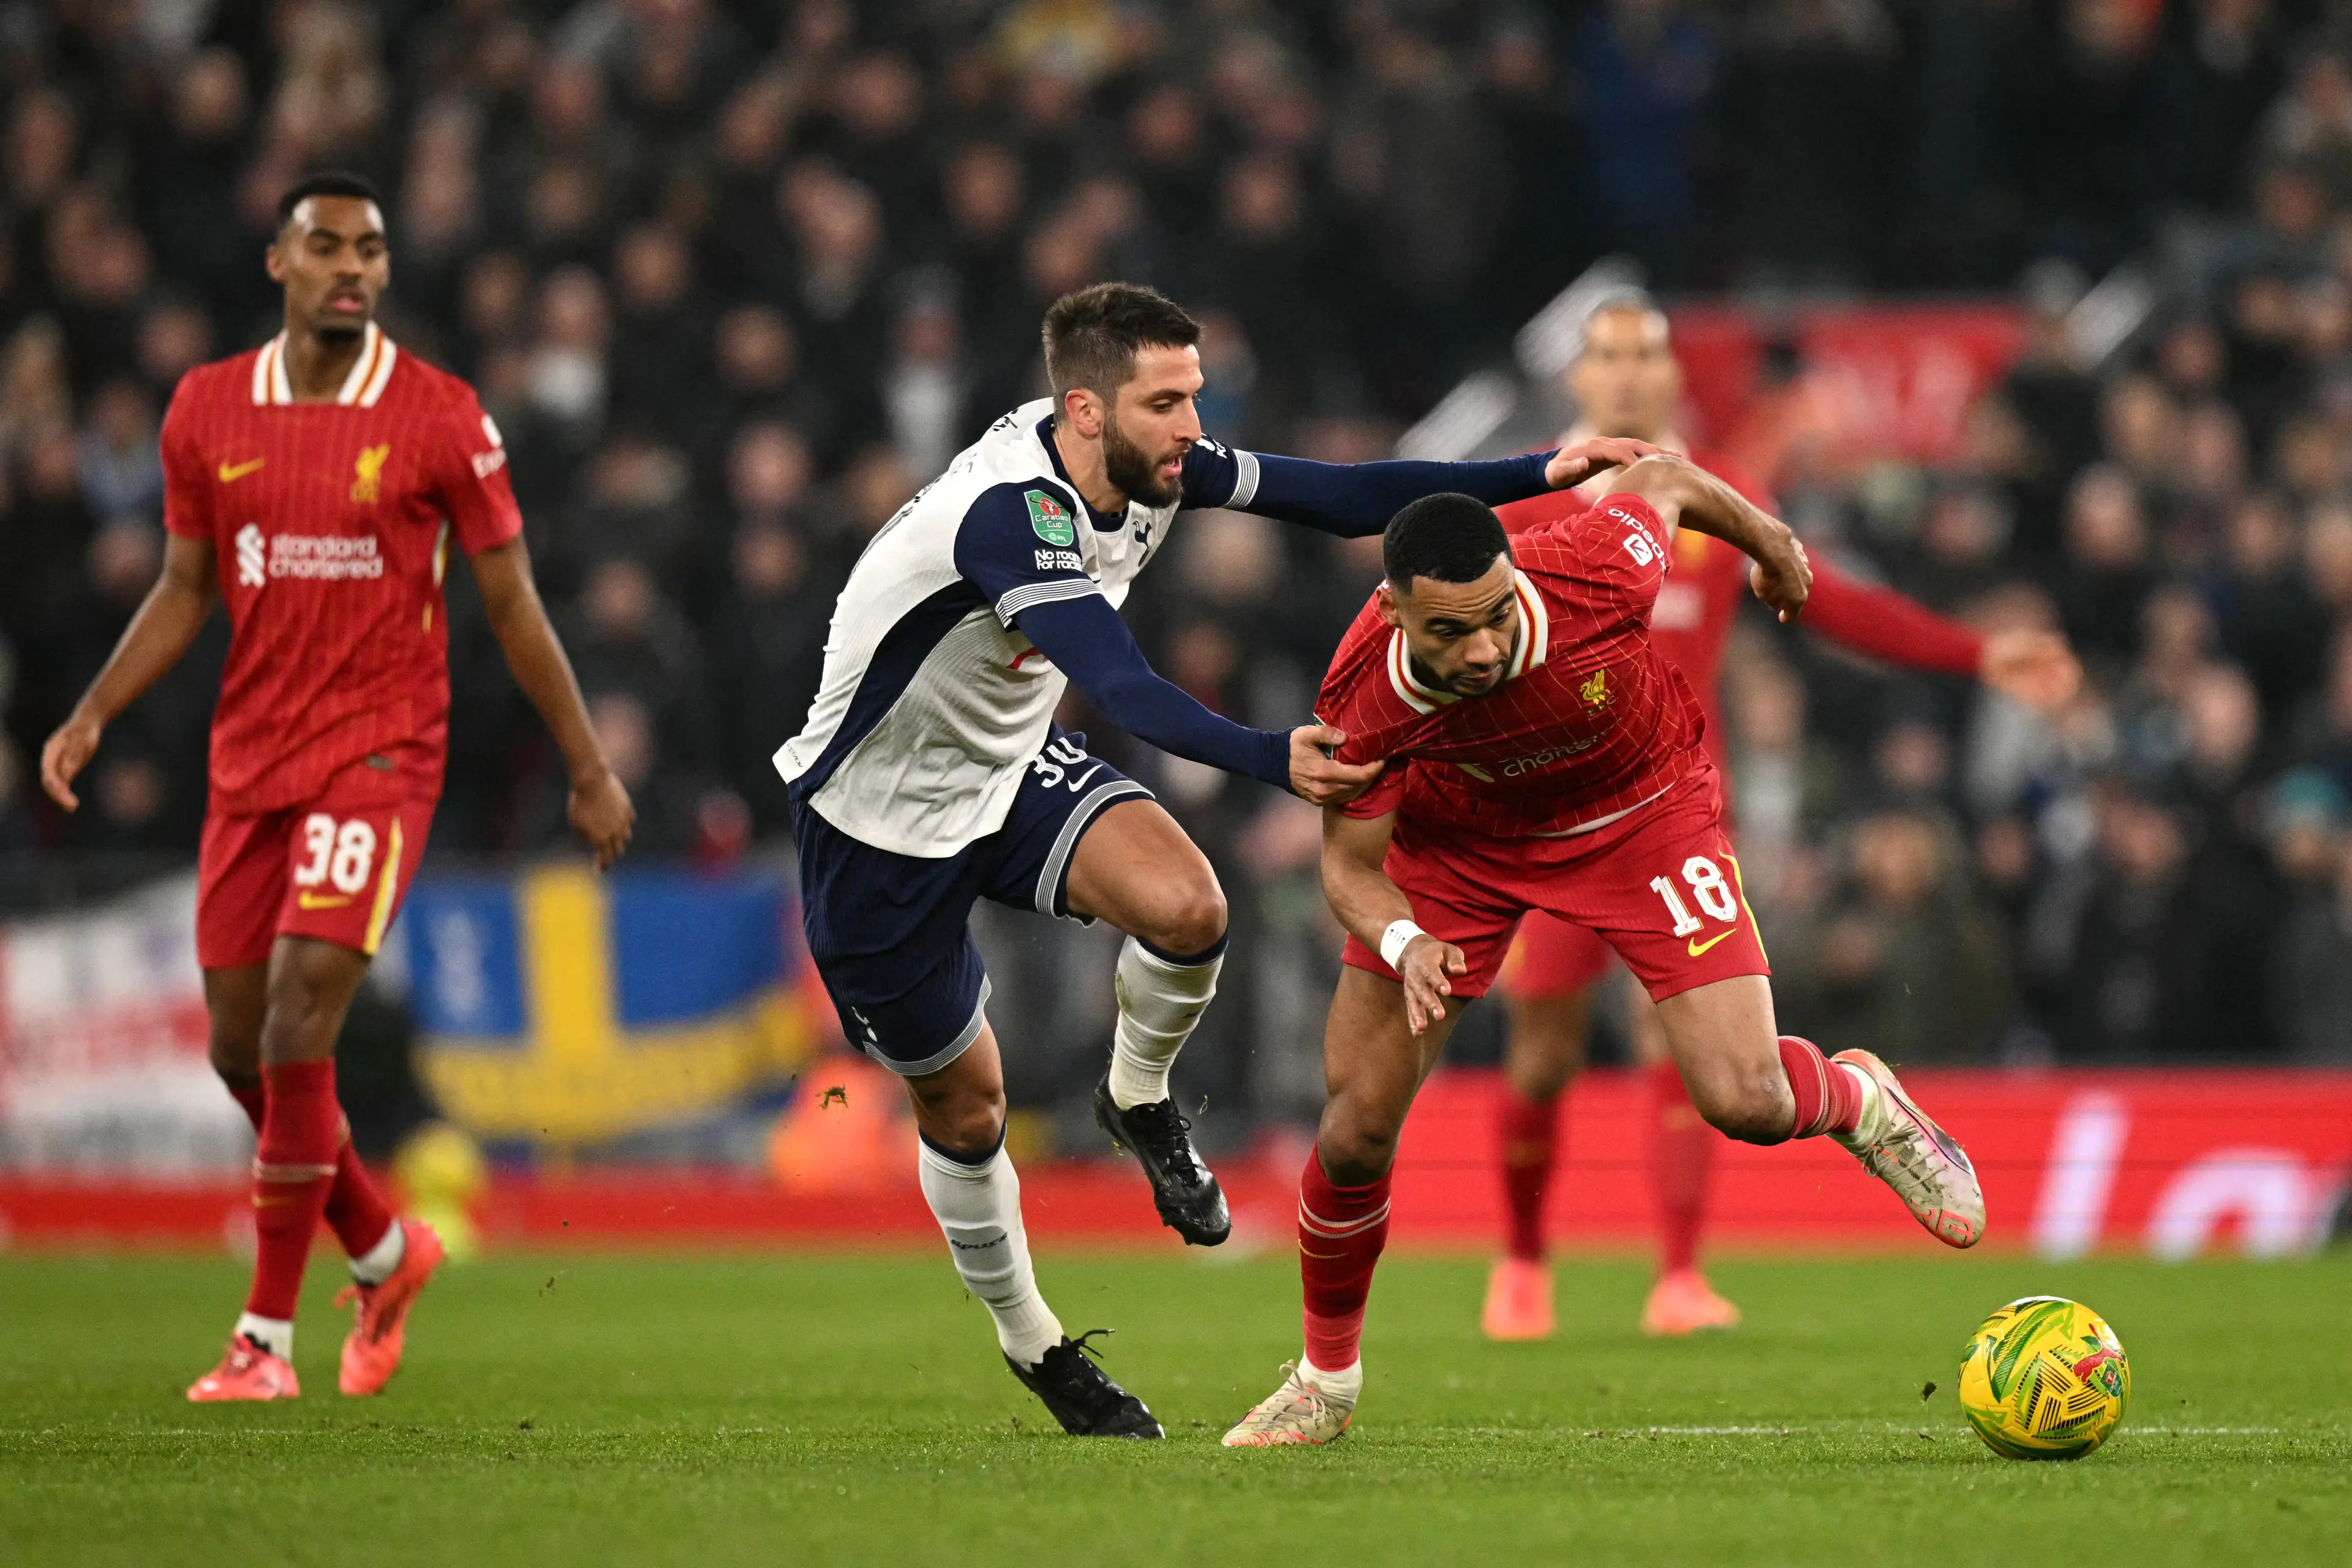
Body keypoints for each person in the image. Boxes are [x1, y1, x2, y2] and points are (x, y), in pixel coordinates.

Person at [777, 281, 1651, 1438]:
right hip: (873, 828)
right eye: (1166, 402)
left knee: (1191, 908)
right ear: (1085, 410)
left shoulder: (1157, 466)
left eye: (1195, 396)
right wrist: (1269, 756)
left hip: (1004, 776)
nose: (1194, 424)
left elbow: (1348, 501)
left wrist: (1539, 471)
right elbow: (1124, 684)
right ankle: (1036, 1345)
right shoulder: (1009, 512)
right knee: (970, 1111)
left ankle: (1137, 1098)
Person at [1223, 461, 1985, 1446]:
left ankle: (1861, 1101)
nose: (1484, 646)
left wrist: (1773, 546)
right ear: (1393, 610)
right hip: (1460, 854)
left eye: (1496, 615)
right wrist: (1405, 940)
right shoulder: (1363, 690)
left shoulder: (1592, 568)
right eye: (1449, 631)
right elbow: (1351, 869)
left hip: (1642, 815)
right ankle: (1324, 1382)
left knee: (1745, 1099)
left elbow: (1662, 477)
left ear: (1516, 582)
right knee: (1356, 1123)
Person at [39, 172, 635, 1402]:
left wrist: (586, 762)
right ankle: (380, 1246)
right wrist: (95, 710)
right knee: (236, 1049)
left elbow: (512, 601)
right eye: (326, 246)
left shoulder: (439, 415)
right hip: (250, 759)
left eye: (370, 247)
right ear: (279, 264)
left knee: (301, 1015)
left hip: (379, 751)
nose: (352, 266)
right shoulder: (206, 408)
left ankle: (264, 1339)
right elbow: (184, 584)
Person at [1479, 294, 2080, 1340]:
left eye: (1646, 357)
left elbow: (1831, 597)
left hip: (1678, 820)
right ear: (1578, 380)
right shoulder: (1526, 503)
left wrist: (1977, 653)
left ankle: (1677, 1275)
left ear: (1671, 379)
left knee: (1686, 1044)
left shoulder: (1717, 499)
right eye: (1607, 357)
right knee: (1543, 1053)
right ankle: (1525, 1262)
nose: (1625, 375)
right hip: (1555, 820)